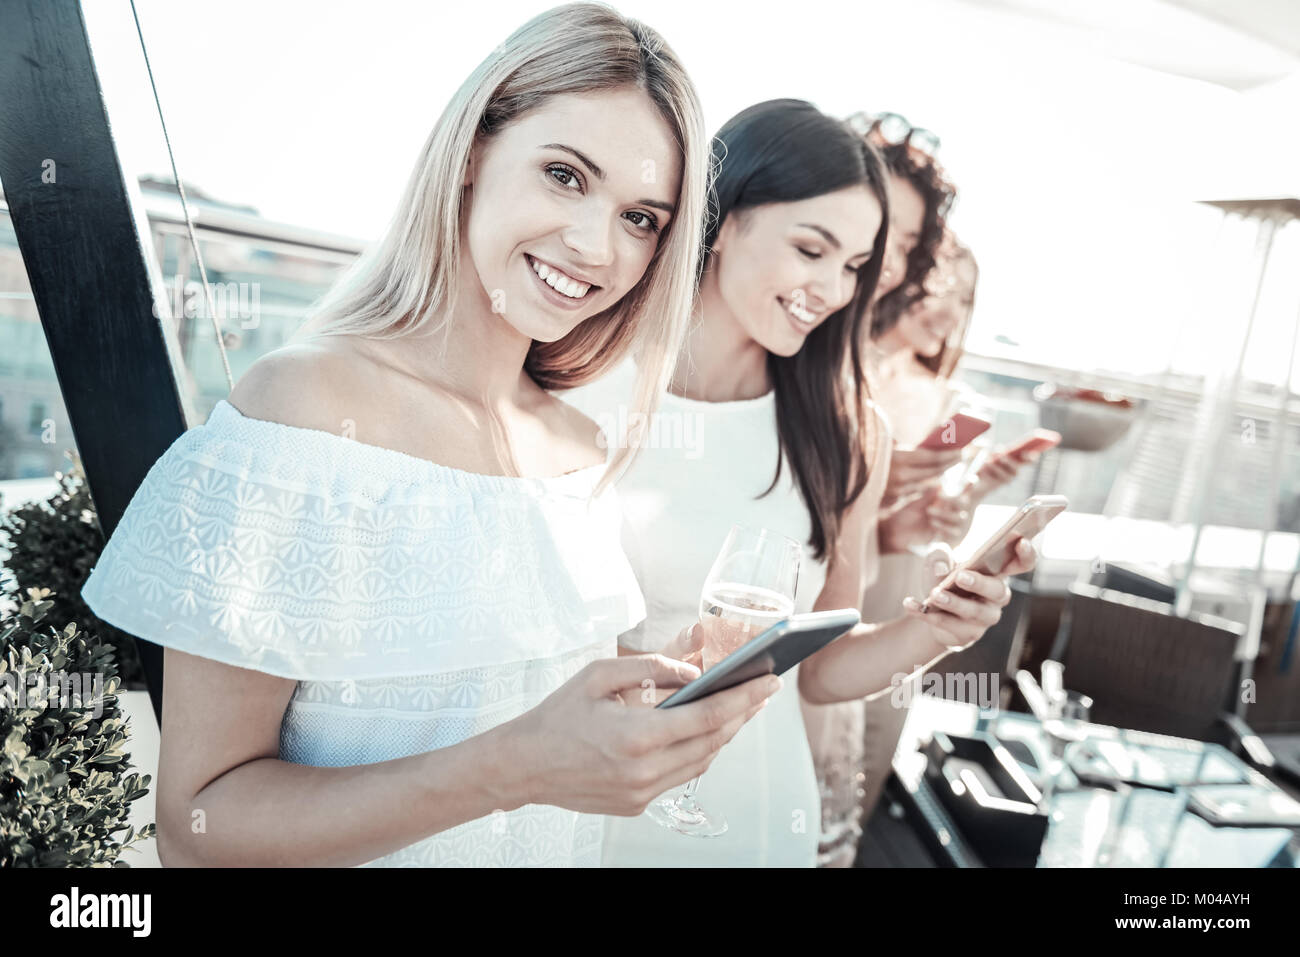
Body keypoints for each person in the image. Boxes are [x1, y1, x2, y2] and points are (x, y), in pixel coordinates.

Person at [78, 3, 781, 868]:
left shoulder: (578, 449)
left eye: (642, 218)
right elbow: (199, 826)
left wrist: (661, 701)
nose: (597, 245)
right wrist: (516, 765)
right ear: (474, 153)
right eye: (565, 175)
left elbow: (528, 718)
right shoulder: (303, 411)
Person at [562, 99, 1037, 867]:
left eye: (854, 266)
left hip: (754, 810)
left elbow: (820, 671)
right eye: (811, 248)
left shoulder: (847, 431)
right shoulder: (571, 380)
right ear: (722, 221)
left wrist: (939, 630)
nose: (834, 288)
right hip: (586, 791)